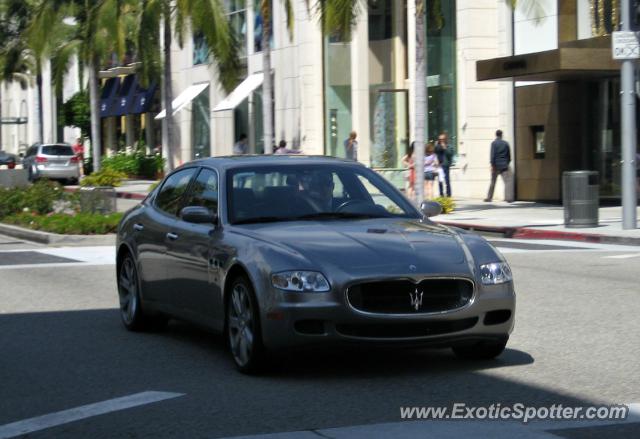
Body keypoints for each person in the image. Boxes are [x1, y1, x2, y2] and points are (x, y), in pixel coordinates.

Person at [485, 129, 513, 202]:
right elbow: (509, 156)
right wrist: (507, 163)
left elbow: (492, 155)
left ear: (496, 135)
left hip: (496, 165)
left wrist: (492, 165)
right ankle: (508, 198)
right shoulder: (506, 143)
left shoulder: (494, 143)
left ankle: (489, 197)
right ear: (501, 135)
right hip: (504, 165)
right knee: (507, 182)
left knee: (493, 182)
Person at [435, 132, 453, 197]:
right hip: (439, 166)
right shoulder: (437, 146)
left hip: (446, 165)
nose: (441, 140)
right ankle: (441, 194)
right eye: (440, 139)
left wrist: (445, 148)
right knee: (440, 181)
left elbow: (450, 154)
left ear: (445, 139)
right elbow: (435, 154)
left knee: (447, 181)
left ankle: (448, 194)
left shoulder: (449, 146)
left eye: (442, 139)